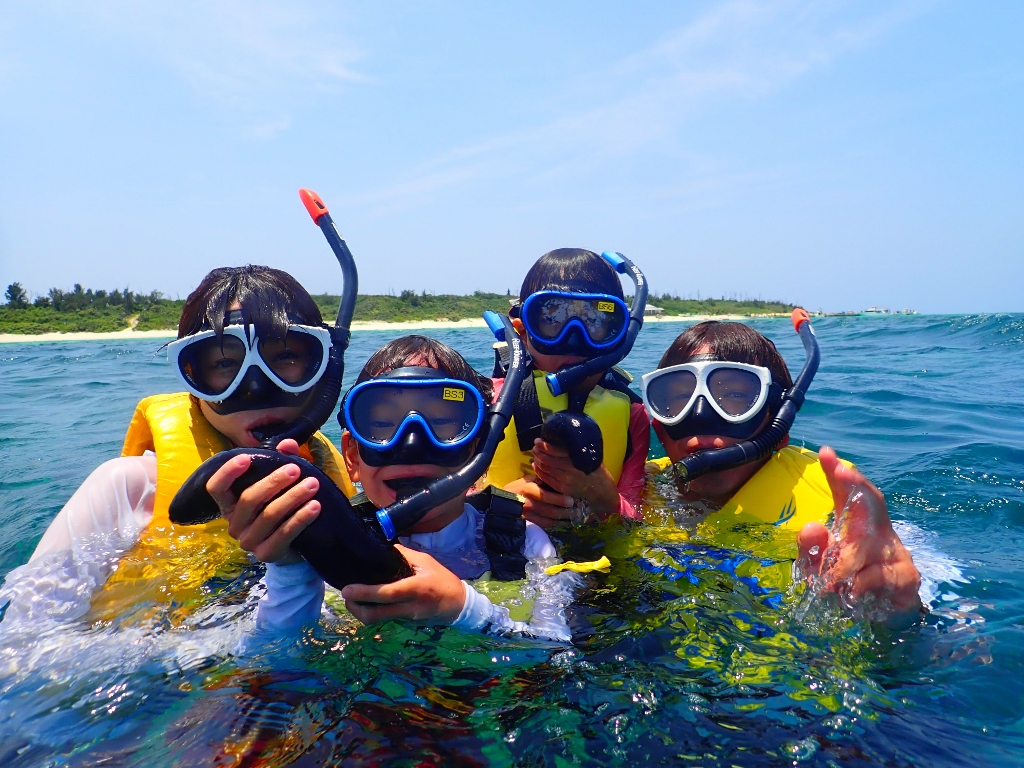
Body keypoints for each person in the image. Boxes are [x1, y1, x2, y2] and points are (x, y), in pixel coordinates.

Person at [23, 265, 354, 620]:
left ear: (323, 366)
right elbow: (22, 645)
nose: (257, 388)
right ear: (193, 378)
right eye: (226, 363)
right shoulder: (130, 488)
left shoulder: (336, 486)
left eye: (286, 358)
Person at [207, 335, 578, 640]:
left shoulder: (523, 541)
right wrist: (293, 571)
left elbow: (558, 654)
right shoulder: (322, 546)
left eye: (446, 424)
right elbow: (268, 665)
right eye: (382, 424)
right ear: (352, 455)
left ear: (477, 450)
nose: (412, 444)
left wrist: (465, 609)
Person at [641, 320, 922, 625]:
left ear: (779, 426)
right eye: (678, 398)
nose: (700, 415)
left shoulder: (839, 506)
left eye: (736, 397)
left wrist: (900, 607)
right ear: (658, 425)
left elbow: (933, 584)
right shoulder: (633, 489)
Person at [486, 248, 650, 528]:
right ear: (522, 331)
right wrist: (494, 506)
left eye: (596, 321)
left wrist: (606, 499)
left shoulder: (633, 416)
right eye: (552, 320)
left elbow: (637, 516)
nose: (574, 338)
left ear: (618, 334)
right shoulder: (487, 400)